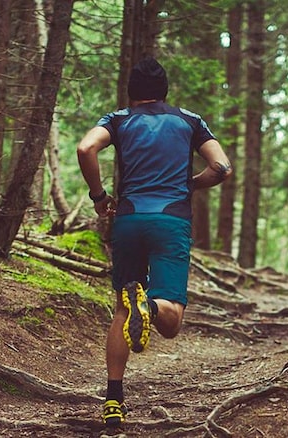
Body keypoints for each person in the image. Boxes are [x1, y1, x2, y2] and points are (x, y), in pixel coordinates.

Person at [76, 57, 233, 429]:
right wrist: (189, 184)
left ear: (131, 91)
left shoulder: (118, 120)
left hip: (129, 220)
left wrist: (99, 197)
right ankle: (147, 303)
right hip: (170, 221)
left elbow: (85, 149)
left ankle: (113, 401)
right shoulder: (189, 121)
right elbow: (222, 167)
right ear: (164, 90)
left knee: (122, 309)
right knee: (171, 321)